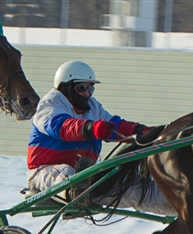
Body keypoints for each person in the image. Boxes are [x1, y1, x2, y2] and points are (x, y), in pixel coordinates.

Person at [26, 60, 175, 215]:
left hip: (88, 176)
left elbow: (116, 127)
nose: (87, 93)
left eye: (91, 88)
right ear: (66, 86)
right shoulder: (50, 104)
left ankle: (180, 205)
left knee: (134, 188)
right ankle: (76, 193)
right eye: (82, 87)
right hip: (44, 171)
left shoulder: (93, 106)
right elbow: (62, 127)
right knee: (65, 172)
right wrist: (91, 128)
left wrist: (142, 131)